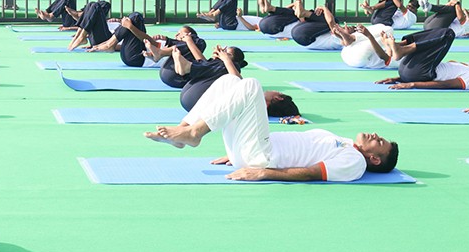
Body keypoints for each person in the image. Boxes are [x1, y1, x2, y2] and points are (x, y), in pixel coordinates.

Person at [144, 74, 399, 181]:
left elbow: (312, 173)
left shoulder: (355, 162)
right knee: (230, 80)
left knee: (251, 84)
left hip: (262, 159)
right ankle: (184, 132)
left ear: (374, 160)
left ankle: (195, 133)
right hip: (252, 149)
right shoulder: (346, 143)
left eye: (379, 142)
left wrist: (264, 173)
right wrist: (235, 150)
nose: (375, 135)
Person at [375, 27, 469, 90]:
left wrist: (412, 84)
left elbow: (446, 84)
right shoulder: (468, 67)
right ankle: (401, 45)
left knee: (448, 34)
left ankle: (402, 48)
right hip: (409, 70)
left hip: (418, 73)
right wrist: (398, 79)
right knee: (439, 32)